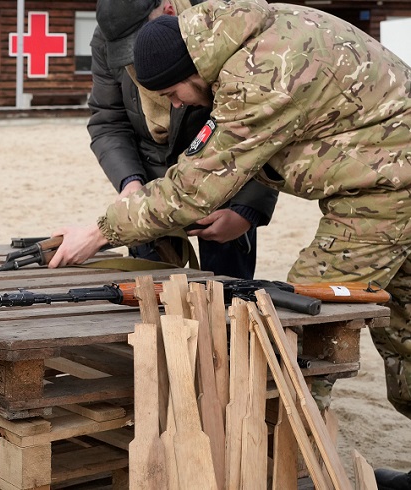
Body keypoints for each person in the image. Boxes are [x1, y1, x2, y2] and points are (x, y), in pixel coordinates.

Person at [49, 1, 411, 486]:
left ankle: (287, 472)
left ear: (191, 68)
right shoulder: (227, 34)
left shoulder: (261, 71)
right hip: (386, 172)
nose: (177, 105)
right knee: (405, 335)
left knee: (306, 326)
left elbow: (195, 187)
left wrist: (98, 232)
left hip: (387, 190)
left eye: (174, 92)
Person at [89, 0, 277, 279]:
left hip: (225, 173)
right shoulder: (113, 30)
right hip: (151, 181)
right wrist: (130, 182)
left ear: (167, 9)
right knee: (150, 292)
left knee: (229, 295)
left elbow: (266, 122)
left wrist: (246, 210)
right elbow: (108, 119)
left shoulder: (225, 22)